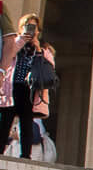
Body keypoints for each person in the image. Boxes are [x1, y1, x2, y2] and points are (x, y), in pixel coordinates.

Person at [0, 15, 57, 161]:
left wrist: (38, 47)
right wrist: (20, 41)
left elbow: (49, 66)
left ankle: (25, 155)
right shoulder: (15, 43)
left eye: (34, 27)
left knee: (27, 122)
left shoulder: (44, 48)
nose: (31, 31)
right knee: (5, 120)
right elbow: (7, 55)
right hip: (12, 87)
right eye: (28, 26)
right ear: (21, 28)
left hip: (30, 90)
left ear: (38, 31)